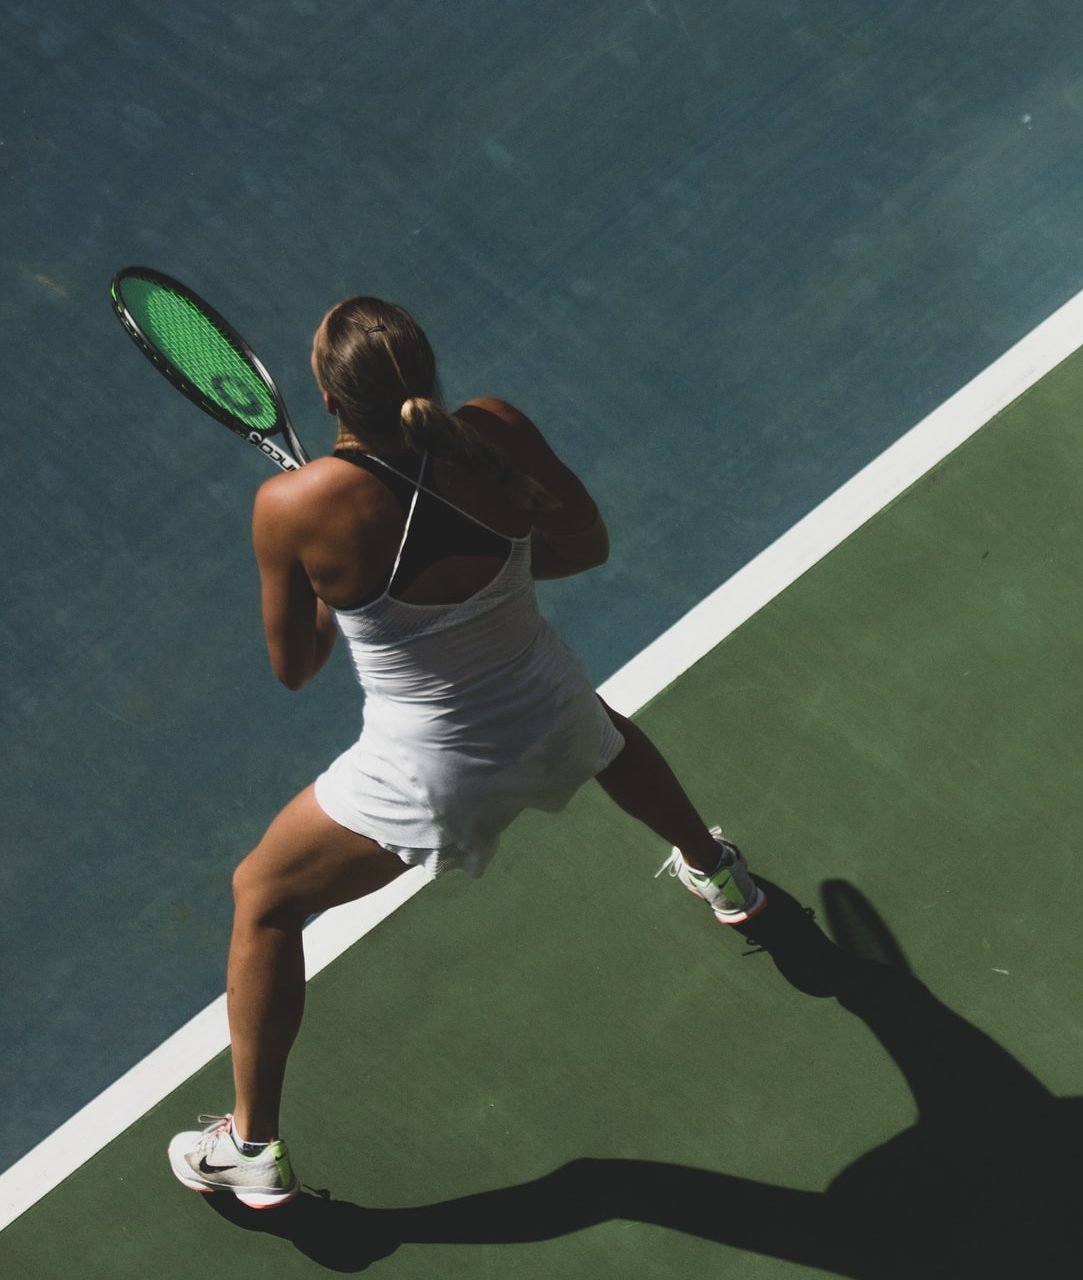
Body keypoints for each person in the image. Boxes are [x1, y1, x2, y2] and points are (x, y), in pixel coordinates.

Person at [166, 296, 764, 1212]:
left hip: (429, 776)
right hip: (549, 705)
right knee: (597, 728)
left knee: (264, 896)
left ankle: (250, 1146)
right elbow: (585, 544)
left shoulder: (292, 505)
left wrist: (340, 598)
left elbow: (296, 668)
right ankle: (721, 873)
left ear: (327, 393)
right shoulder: (494, 429)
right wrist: (491, 587)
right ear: (426, 374)